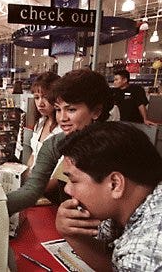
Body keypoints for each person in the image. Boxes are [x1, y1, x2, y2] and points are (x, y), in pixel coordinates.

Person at [55, 121, 162, 271]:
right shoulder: (124, 207)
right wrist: (72, 235)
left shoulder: (145, 256)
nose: (67, 189)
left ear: (115, 184)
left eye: (73, 180)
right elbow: (112, 264)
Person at [7, 69, 114, 214]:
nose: (62, 118)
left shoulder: (115, 148)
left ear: (96, 111)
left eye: (71, 109)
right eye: (58, 110)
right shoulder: (53, 143)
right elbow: (31, 191)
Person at [15, 72, 61, 173]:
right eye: (36, 97)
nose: (40, 103)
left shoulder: (62, 128)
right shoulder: (40, 123)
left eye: (45, 97)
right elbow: (33, 155)